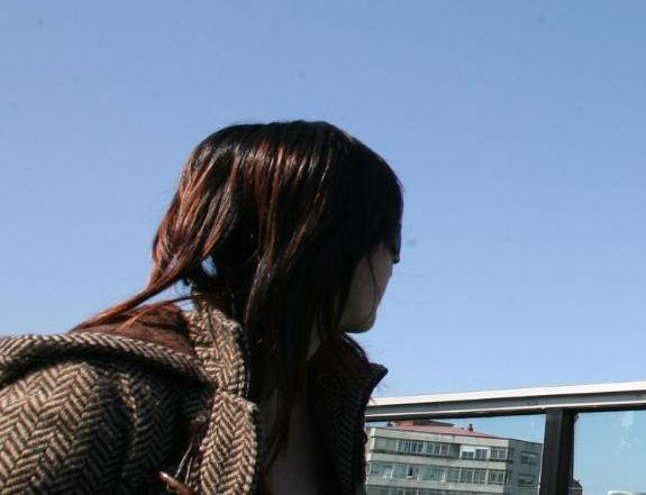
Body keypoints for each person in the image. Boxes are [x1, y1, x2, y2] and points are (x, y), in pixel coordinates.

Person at [0, 121, 403, 495]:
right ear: (326, 240)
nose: (395, 263)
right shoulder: (96, 392)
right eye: (392, 239)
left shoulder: (331, 409)